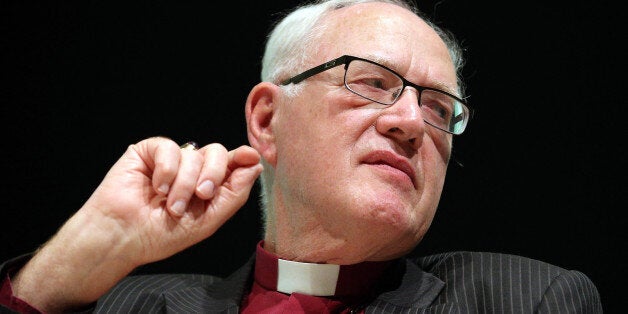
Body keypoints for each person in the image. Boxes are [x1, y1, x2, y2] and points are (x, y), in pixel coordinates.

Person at [1, 0, 602, 313]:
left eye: (441, 108)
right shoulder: (131, 305)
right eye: (370, 81)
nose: (412, 122)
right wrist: (85, 253)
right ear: (267, 120)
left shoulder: (523, 299)